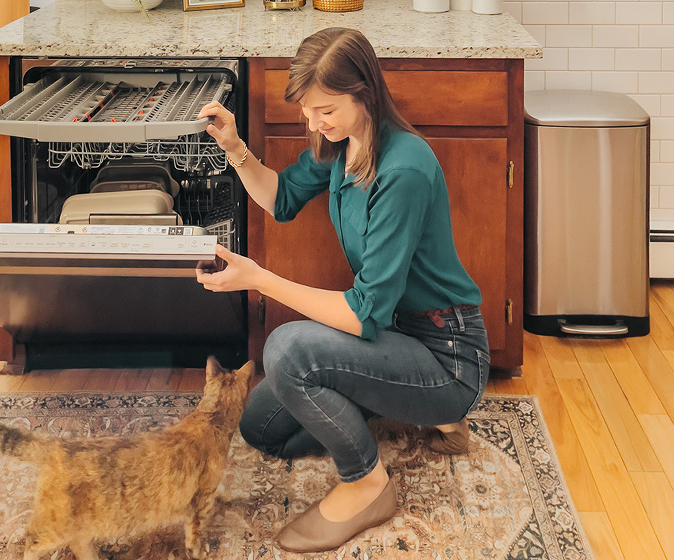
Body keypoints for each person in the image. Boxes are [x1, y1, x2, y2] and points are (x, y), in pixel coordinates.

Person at [196, 28, 489, 553]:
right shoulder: (342, 144)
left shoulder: (404, 170)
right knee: (260, 426)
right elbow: (281, 197)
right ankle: (405, 404)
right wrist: (234, 146)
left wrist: (260, 278)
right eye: (308, 111)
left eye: (324, 109)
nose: (314, 123)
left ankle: (368, 482)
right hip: (394, 337)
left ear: (365, 94)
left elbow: (362, 314)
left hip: (447, 354)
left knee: (287, 350)